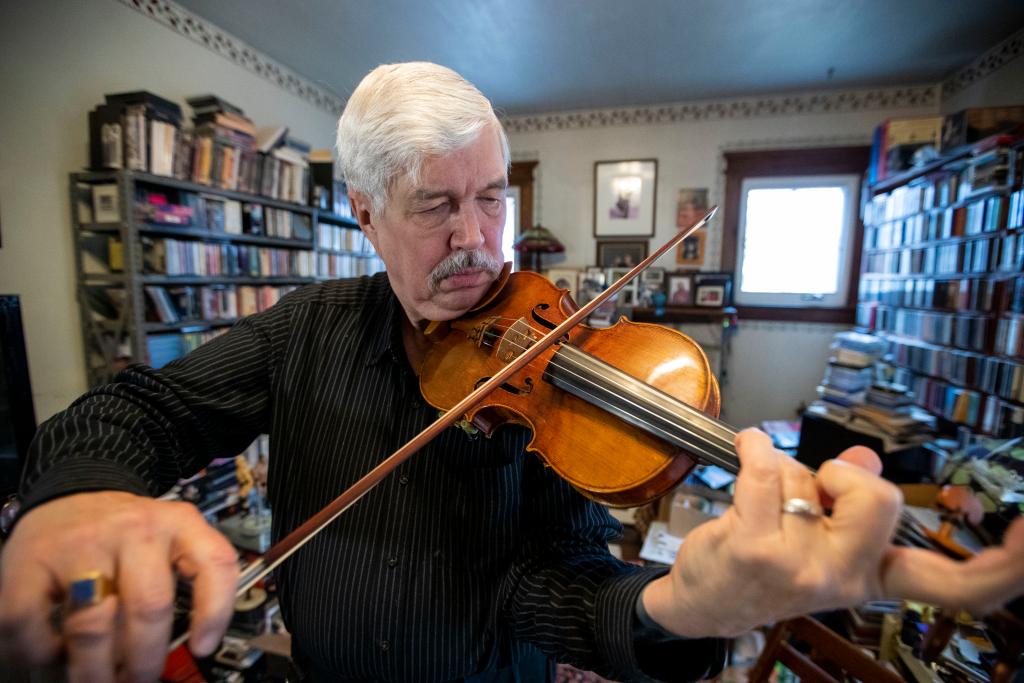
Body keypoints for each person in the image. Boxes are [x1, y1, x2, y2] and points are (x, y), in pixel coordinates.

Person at [1, 62, 1023, 683]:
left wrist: (678, 606)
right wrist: (78, 491)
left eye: (491, 196)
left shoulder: (554, 361)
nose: (479, 240)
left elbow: (558, 584)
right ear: (364, 212)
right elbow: (143, 407)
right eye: (435, 205)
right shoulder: (302, 329)